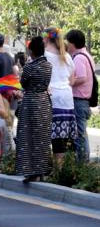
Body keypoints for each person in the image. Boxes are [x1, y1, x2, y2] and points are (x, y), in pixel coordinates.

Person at [16, 37, 52, 183]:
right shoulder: (48, 65)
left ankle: (31, 171)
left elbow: (23, 83)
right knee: (42, 136)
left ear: (31, 51)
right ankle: (42, 170)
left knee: (28, 136)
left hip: (30, 102)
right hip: (44, 102)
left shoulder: (29, 67)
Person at [44, 28, 77, 169]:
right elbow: (72, 81)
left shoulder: (43, 55)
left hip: (50, 98)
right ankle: (60, 171)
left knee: (44, 137)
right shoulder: (67, 56)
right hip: (66, 101)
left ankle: (45, 169)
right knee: (61, 141)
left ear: (46, 38)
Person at [65, 29, 97, 163]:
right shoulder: (86, 55)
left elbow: (82, 77)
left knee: (80, 134)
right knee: (80, 133)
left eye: (68, 42)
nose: (66, 44)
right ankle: (82, 162)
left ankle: (82, 163)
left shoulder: (79, 58)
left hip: (79, 100)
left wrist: (68, 83)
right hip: (83, 101)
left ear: (73, 43)